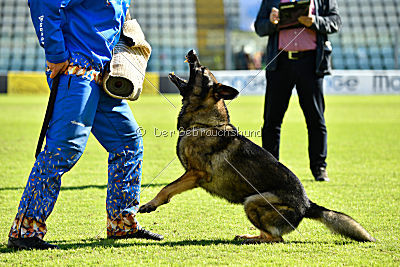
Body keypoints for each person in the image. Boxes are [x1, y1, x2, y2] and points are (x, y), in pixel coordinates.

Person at [8, 0, 163, 250]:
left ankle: (121, 224)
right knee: (63, 149)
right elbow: (43, 3)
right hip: (76, 71)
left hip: (103, 75)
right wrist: (56, 54)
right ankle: (25, 231)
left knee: (128, 142)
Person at [255, 0, 341, 181]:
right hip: (280, 63)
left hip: (311, 63)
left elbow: (335, 22)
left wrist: (314, 21)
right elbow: (259, 27)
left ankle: (319, 168)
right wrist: (271, 22)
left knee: (316, 119)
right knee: (272, 120)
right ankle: (270, 169)